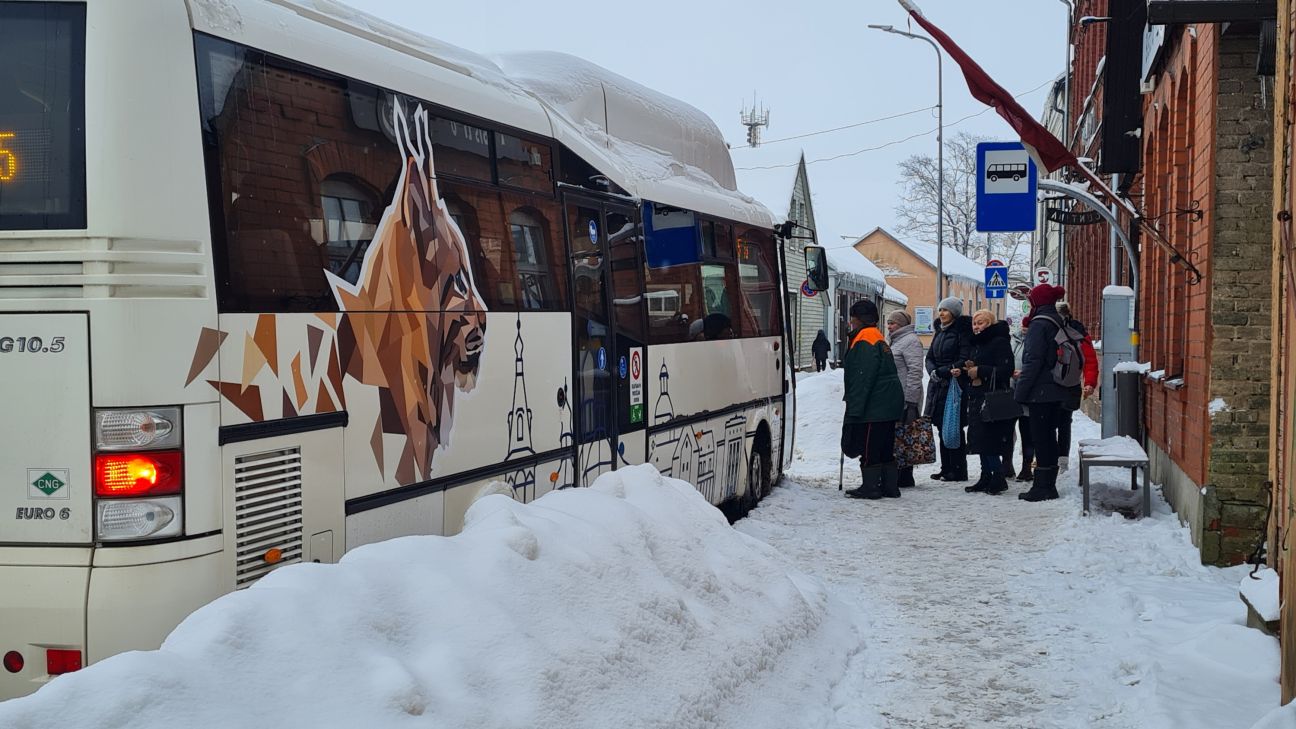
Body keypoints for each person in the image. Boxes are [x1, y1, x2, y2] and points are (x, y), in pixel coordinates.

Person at [841, 299, 905, 499]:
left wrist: (855, 408)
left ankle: (871, 487)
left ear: (858, 319)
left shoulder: (864, 338)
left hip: (875, 404)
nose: (851, 322)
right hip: (888, 402)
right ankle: (889, 486)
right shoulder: (876, 336)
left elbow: (863, 376)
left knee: (870, 446)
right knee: (885, 445)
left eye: (853, 318)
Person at [1015, 283, 1069, 502]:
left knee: (1041, 437)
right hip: (1055, 387)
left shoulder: (1039, 324)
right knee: (1048, 436)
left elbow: (1033, 360)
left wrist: (1021, 391)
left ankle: (1043, 487)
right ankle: (1047, 484)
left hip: (1041, 390)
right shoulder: (1057, 320)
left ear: (1036, 302)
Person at [960, 310, 1015, 495]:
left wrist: (980, 370)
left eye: (981, 323)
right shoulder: (977, 343)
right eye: (975, 323)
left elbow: (1006, 369)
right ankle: (986, 475)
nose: (976, 327)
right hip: (977, 395)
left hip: (992, 397)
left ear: (989, 324)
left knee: (989, 438)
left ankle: (998, 476)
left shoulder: (999, 342)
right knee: (979, 438)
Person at [924, 296, 973, 481]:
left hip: (954, 386)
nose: (942, 313)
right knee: (940, 425)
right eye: (941, 310)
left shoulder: (962, 332)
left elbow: (963, 358)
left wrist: (943, 371)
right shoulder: (940, 332)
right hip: (938, 385)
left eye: (945, 310)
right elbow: (929, 357)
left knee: (954, 426)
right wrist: (932, 371)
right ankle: (946, 468)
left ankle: (959, 469)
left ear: (954, 313)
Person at [1054, 302, 1099, 471]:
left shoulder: (1076, 332)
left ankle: (1061, 459)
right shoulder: (1050, 329)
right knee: (1058, 422)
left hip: (1066, 384)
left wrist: (1089, 383)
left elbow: (1089, 360)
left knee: (1062, 421)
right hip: (1064, 384)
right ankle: (1055, 458)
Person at [886, 309, 925, 489]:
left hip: (907, 396)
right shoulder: (897, 341)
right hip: (896, 395)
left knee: (907, 435)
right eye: (888, 323)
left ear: (901, 325)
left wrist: (911, 400)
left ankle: (906, 476)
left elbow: (915, 371)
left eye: (892, 323)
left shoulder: (910, 341)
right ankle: (900, 473)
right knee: (899, 436)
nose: (889, 326)